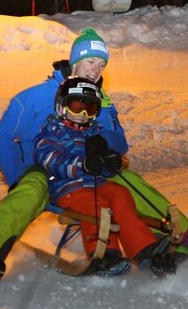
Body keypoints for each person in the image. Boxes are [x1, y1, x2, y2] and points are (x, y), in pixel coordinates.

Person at [0, 28, 184, 281]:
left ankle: (186, 242)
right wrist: (15, 178)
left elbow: (119, 141)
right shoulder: (33, 97)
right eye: (90, 61)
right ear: (75, 61)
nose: (96, 70)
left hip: (90, 169)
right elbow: (3, 136)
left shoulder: (100, 100)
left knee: (128, 184)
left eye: (101, 65)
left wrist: (103, 146)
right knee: (29, 190)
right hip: (44, 168)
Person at [34, 77, 168, 276]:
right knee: (95, 206)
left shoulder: (93, 133)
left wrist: (109, 164)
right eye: (77, 107)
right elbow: (50, 160)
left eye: (89, 109)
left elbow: (101, 166)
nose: (83, 115)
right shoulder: (52, 133)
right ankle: (106, 254)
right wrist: (82, 165)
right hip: (69, 188)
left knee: (120, 194)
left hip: (97, 183)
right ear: (62, 106)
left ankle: (143, 248)